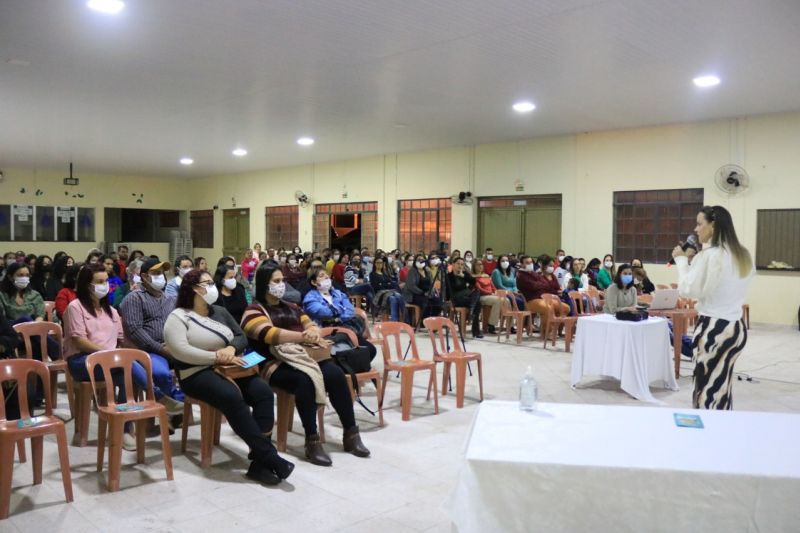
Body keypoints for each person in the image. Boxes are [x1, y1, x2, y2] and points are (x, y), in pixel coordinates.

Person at [163, 269, 294, 485]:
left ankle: (259, 464)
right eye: (207, 283)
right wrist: (217, 357)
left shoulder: (220, 312)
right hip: (195, 373)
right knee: (231, 396)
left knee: (262, 392)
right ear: (195, 289)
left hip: (231, 366)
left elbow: (240, 335)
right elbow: (181, 351)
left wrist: (232, 350)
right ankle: (270, 457)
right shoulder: (178, 317)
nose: (212, 286)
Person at [241, 264, 370, 466]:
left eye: (282, 280)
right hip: (274, 362)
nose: (281, 285)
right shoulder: (253, 310)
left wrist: (312, 332)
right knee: (304, 380)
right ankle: (312, 440)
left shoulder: (293, 307)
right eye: (276, 281)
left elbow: (311, 325)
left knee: (335, 375)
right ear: (264, 284)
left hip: (306, 356)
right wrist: (302, 335)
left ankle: (351, 433)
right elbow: (269, 334)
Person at [673, 205, 754, 410]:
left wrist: (682, 260)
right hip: (735, 328)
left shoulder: (710, 256)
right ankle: (723, 429)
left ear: (713, 225)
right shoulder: (742, 254)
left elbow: (687, 289)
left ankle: (707, 435)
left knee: (706, 391)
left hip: (714, 329)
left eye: (700, 224)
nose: (696, 229)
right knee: (721, 386)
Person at [63, 263, 134, 446]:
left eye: (106, 281)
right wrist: (107, 354)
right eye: (99, 282)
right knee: (127, 369)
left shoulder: (111, 311)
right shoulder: (75, 307)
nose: (104, 285)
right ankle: (156, 395)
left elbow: (120, 339)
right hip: (81, 361)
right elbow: (79, 341)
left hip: (110, 361)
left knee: (130, 372)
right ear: (87, 285)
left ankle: (123, 428)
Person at [119, 258, 185, 416]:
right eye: (155, 273)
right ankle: (168, 409)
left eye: (162, 273)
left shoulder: (170, 299)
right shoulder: (135, 298)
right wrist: (162, 349)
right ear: (144, 277)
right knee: (161, 374)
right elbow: (135, 331)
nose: (160, 276)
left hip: (172, 346)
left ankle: (179, 404)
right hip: (148, 350)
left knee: (200, 370)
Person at [302, 266, 377, 358]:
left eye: (327, 275)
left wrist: (337, 317)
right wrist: (340, 306)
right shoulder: (310, 298)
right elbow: (325, 312)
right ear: (314, 282)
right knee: (348, 355)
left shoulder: (337, 293)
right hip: (327, 333)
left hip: (346, 328)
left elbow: (350, 311)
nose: (326, 277)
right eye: (322, 276)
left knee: (371, 350)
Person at [518, 255, 570, 334]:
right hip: (531, 301)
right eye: (527, 263)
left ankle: (554, 330)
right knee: (548, 308)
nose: (530, 264)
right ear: (521, 264)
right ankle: (546, 333)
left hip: (544, 299)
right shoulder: (521, 275)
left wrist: (539, 284)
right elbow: (534, 286)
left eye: (531, 262)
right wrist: (540, 284)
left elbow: (543, 284)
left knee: (565, 308)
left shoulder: (533, 273)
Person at [447, 258, 483, 338]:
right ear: (453, 264)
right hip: (456, 299)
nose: (460, 266)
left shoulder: (464, 274)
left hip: (467, 298)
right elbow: (449, 291)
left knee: (477, 293)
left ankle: (471, 310)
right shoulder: (449, 276)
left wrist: (463, 276)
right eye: (458, 263)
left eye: (462, 264)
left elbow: (473, 282)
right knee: (477, 303)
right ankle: (476, 331)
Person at [369, 256, 405, 322]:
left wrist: (383, 284)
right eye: (377, 263)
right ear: (374, 264)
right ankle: (403, 318)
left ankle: (395, 320)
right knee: (397, 296)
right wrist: (386, 284)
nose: (379, 264)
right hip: (380, 295)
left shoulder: (385, 274)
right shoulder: (372, 274)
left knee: (393, 298)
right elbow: (376, 286)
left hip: (389, 292)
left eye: (381, 263)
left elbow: (390, 284)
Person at [472, 259, 502, 334]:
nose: (480, 266)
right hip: (481, 296)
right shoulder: (473, 276)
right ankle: (491, 325)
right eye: (478, 265)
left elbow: (493, 286)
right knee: (497, 300)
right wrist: (490, 293)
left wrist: (495, 291)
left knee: (506, 300)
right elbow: (479, 289)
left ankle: (510, 326)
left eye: (481, 264)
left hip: (490, 295)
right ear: (474, 266)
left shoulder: (486, 275)